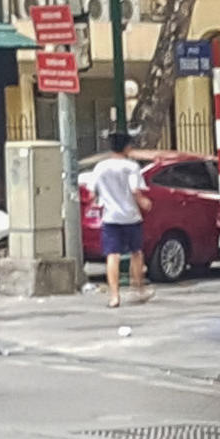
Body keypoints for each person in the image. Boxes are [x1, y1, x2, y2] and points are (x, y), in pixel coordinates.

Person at [79, 126, 150, 307]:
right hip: (131, 216)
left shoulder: (101, 167)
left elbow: (91, 192)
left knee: (113, 255)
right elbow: (135, 190)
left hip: (110, 217)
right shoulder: (131, 167)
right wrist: (144, 202)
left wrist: (97, 201)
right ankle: (138, 287)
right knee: (136, 252)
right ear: (126, 148)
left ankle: (114, 296)